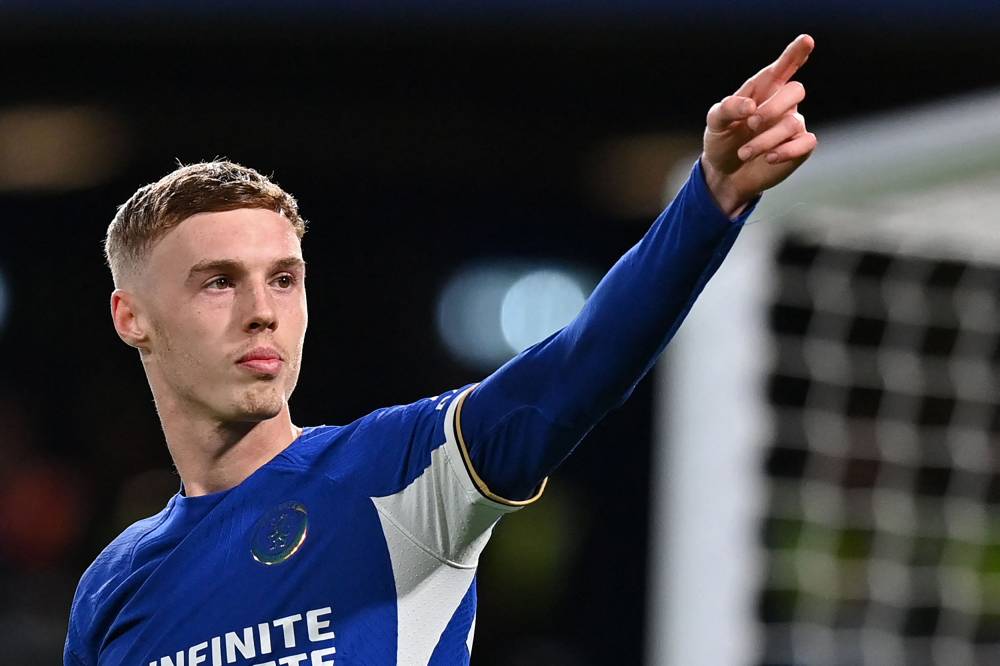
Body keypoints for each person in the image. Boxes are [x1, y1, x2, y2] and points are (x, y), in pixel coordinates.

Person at [65, 35, 817, 666]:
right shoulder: (114, 588)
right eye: (220, 282)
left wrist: (710, 199)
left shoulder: (397, 473)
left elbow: (578, 367)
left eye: (285, 279)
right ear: (132, 318)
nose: (264, 313)